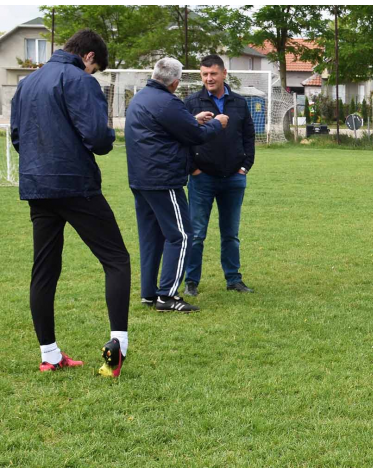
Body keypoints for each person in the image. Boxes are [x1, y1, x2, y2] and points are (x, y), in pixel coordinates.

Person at [11, 29, 129, 377]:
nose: (91, 74)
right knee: (116, 259)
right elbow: (96, 137)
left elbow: (18, 137)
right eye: (94, 69)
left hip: (37, 187)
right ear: (89, 57)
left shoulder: (27, 83)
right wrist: (108, 136)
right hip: (76, 184)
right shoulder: (80, 79)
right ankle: (118, 346)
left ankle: (50, 354)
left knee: (44, 269)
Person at [126, 57, 228, 313]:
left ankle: (148, 293)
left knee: (151, 237)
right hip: (163, 179)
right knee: (181, 235)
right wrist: (217, 124)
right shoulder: (168, 101)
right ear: (175, 82)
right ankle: (167, 296)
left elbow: (165, 128)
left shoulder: (140, 98)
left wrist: (193, 119)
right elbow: (195, 136)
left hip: (140, 179)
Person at [182, 54, 256, 297]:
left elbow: (248, 137)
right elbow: (184, 138)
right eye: (204, 74)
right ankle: (191, 282)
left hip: (233, 178)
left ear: (224, 73)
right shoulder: (192, 102)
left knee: (231, 234)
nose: (208, 78)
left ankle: (233, 279)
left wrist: (244, 166)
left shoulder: (239, 103)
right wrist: (194, 168)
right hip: (202, 178)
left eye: (213, 73)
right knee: (196, 235)